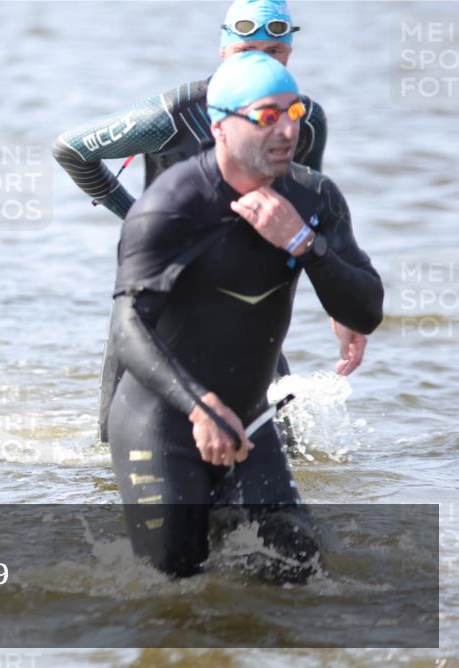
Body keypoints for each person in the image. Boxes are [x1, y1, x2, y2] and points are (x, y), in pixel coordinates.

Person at [104, 52, 383, 581]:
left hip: (250, 420)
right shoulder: (171, 206)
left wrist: (304, 243)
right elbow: (127, 328)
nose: (287, 131)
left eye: (294, 112)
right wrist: (200, 406)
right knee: (175, 587)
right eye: (266, 116)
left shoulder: (312, 198)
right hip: (162, 423)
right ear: (220, 128)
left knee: (299, 568)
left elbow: (366, 310)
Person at [52, 0, 368, 442]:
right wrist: (137, 216)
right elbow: (72, 149)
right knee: (114, 443)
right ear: (223, 50)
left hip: (251, 294)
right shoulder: (177, 113)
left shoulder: (304, 120)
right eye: (246, 51)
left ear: (290, 53)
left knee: (283, 444)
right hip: (165, 286)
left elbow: (309, 211)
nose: (260, 62)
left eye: (274, 52)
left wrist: (340, 307)